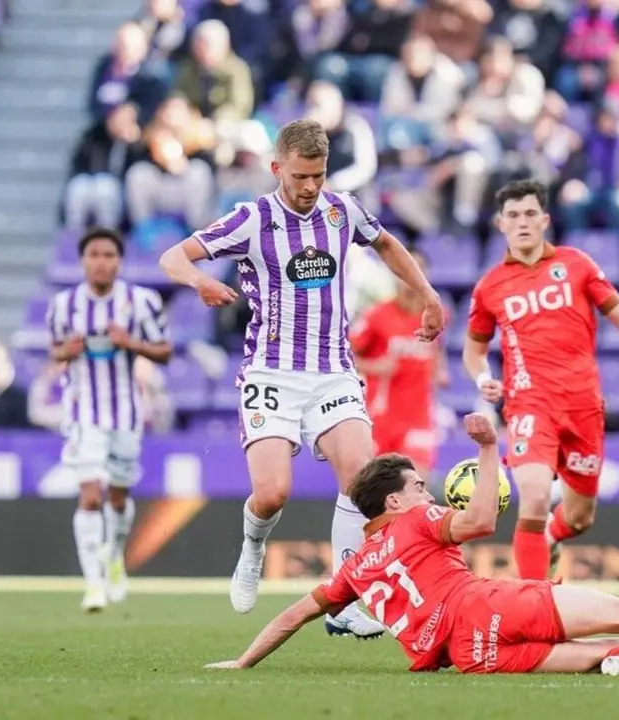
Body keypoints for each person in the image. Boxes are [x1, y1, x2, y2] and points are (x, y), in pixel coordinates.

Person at [204, 413, 619, 675]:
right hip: (491, 605)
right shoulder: (417, 522)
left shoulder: (355, 569)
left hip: (470, 656)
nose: (425, 490)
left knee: (600, 652)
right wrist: (489, 449)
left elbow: (296, 615)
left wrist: (243, 659)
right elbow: (482, 521)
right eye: (416, 485)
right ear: (395, 502)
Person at [158, 118, 444, 638]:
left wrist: (428, 293)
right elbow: (172, 256)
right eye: (300, 177)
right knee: (271, 494)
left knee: (362, 481)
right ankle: (252, 549)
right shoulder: (252, 219)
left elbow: (387, 245)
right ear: (276, 169)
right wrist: (200, 280)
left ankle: (344, 597)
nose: (311, 187)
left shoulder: (341, 210)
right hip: (273, 371)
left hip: (332, 370)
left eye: (318, 175)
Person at [463, 179, 619, 581]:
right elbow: (473, 351)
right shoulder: (490, 286)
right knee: (536, 498)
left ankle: (550, 539)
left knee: (578, 518)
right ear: (500, 224)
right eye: (513, 216)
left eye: (529, 214)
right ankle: (536, 605)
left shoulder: (576, 264)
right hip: (527, 404)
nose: (522, 223)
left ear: (544, 220)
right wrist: (483, 378)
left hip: (582, 406)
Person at [47, 227, 173, 611]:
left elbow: (165, 351)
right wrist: (65, 352)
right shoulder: (64, 305)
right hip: (83, 411)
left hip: (125, 413)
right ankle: (93, 584)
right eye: (94, 254)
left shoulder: (141, 301)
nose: (101, 261)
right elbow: (54, 352)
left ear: (119, 261)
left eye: (109, 255)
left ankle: (115, 554)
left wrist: (130, 343)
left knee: (117, 497)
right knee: (89, 494)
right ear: (83, 260)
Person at [350, 248, 449, 483]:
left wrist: (439, 370)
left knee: (416, 483)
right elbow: (343, 356)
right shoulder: (376, 315)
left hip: (419, 417)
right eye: (402, 270)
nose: (408, 277)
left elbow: (437, 348)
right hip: (381, 419)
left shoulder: (434, 316)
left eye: (417, 270)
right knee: (380, 491)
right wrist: (375, 367)